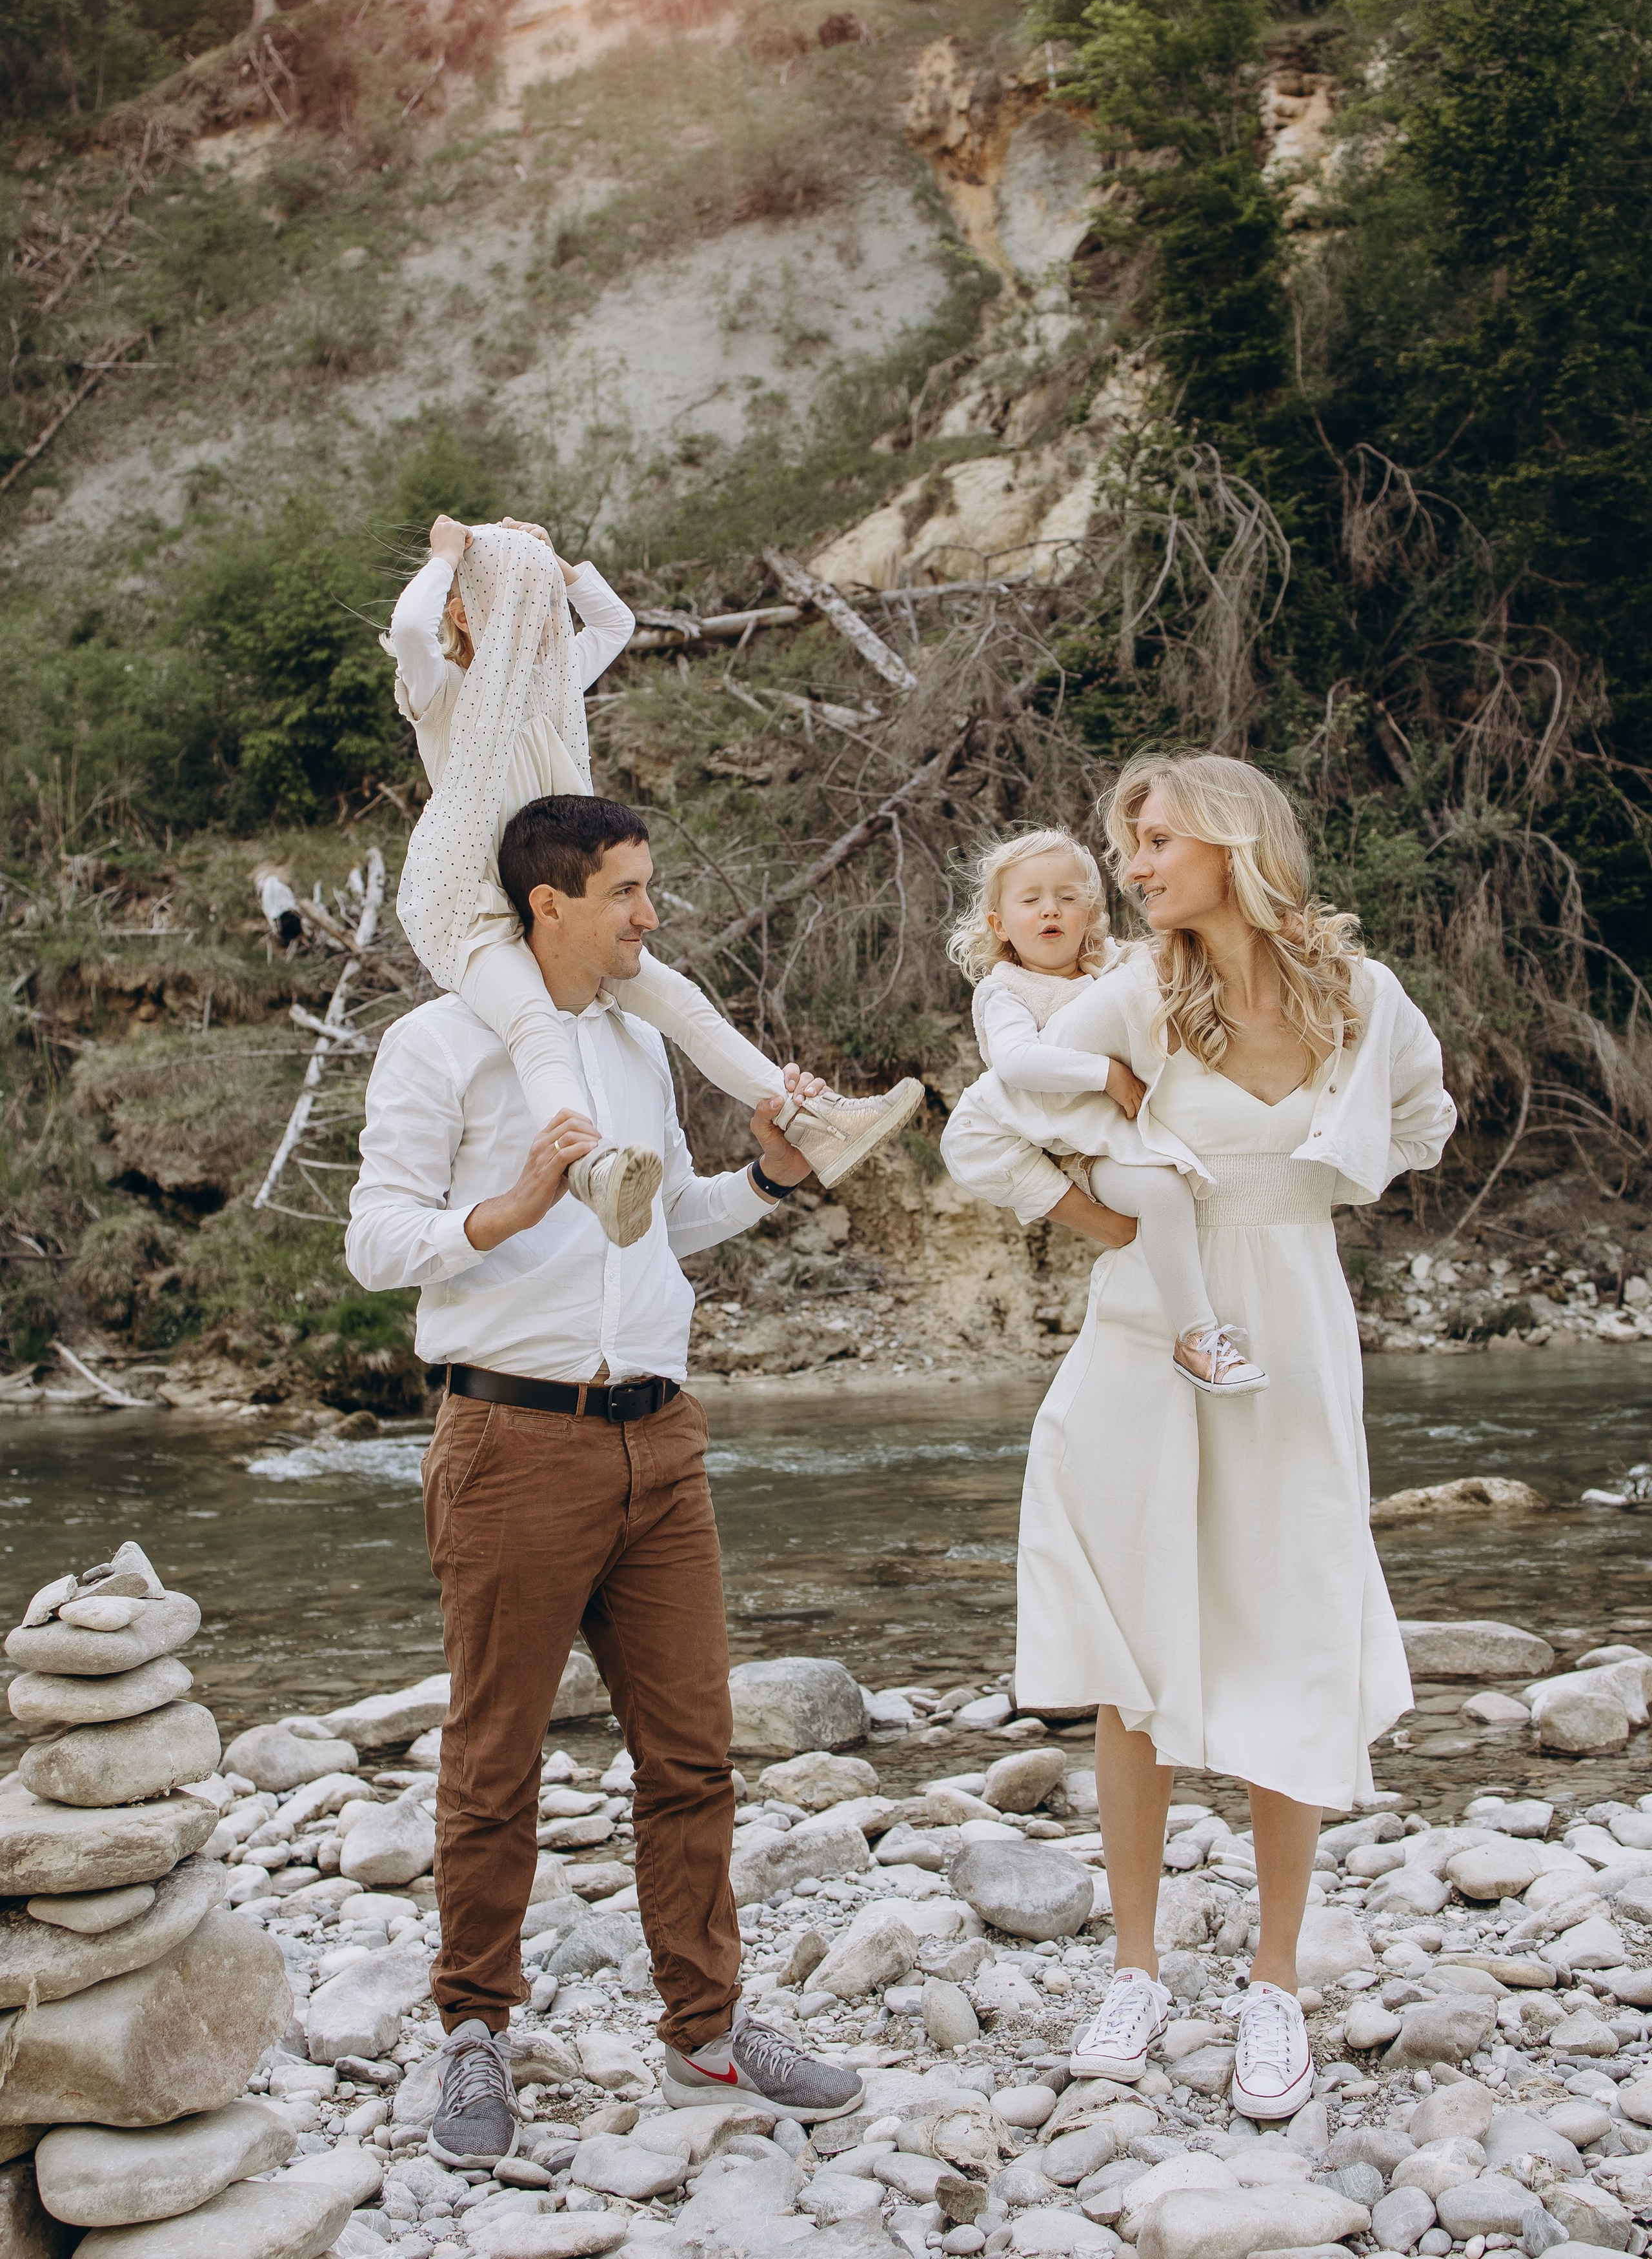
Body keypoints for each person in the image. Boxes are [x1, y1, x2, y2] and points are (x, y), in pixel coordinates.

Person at [345, 793, 867, 2167]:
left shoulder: (638, 1041)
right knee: (496, 1757)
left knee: (692, 1756)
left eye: (650, 886)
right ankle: (473, 2031)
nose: (651, 915)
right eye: (628, 891)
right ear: (550, 905)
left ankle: (707, 2033)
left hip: (662, 1440)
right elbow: (374, 1242)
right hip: (509, 1443)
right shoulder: (438, 1041)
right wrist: (509, 1208)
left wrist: (768, 1179)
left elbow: (668, 1221)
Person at [941, 752, 1455, 2119]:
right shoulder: (1130, 997)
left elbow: (1420, 1117)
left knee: (1295, 1627)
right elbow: (984, 1129)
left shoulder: (1361, 996)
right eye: (1130, 844)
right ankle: (1135, 1971)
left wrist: (1305, 1187)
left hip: (1292, 1333)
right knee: (1136, 1655)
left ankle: (1274, 1986)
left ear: (1233, 842)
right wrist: (1102, 1220)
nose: (1133, 867)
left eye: (1156, 839)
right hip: (1147, 1341)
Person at [387, 514, 922, 1249]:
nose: (544, 623)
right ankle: (592, 1166)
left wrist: (555, 563)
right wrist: (447, 556)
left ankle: (814, 1118)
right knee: (533, 1024)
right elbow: (409, 630)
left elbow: (616, 623)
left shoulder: (548, 687)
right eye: (524, 605)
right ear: (463, 612)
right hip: (480, 904)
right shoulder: (445, 693)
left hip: (568, 898)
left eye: (546, 608)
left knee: (681, 1001)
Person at [943, 827, 1267, 1394]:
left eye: (1067, 897)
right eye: (1030, 900)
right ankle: (1198, 1334)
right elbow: (1016, 1061)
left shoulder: (1111, 969)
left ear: (1091, 913)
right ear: (999, 924)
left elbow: (1163, 966)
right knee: (1144, 1204)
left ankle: (1193, 1322)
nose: (1051, 910)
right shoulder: (1006, 990)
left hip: (1114, 1142)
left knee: (1174, 1190)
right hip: (1058, 1150)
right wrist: (1105, 1073)